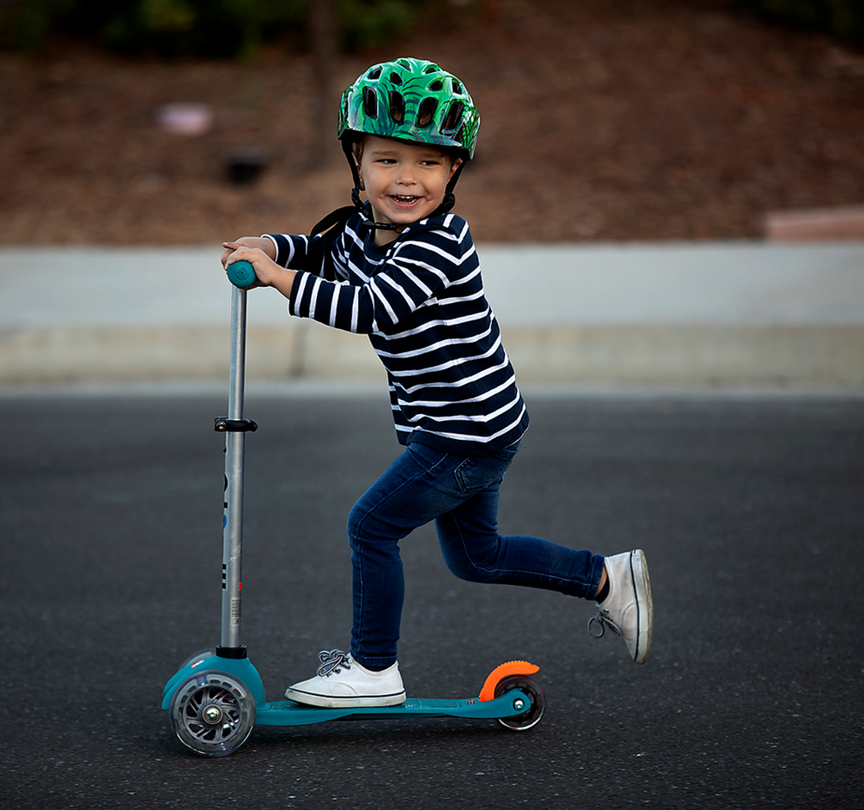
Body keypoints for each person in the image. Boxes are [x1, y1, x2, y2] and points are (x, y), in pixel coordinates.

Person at [220, 57, 653, 709]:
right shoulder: (368, 228)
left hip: (464, 432)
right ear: (357, 163)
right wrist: (277, 249)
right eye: (388, 159)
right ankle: (606, 578)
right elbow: (328, 251)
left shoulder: (439, 242)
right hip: (476, 424)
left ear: (454, 171)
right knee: (476, 556)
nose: (406, 178)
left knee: (370, 526)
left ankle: (374, 669)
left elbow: (370, 306)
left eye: (427, 162)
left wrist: (278, 281)